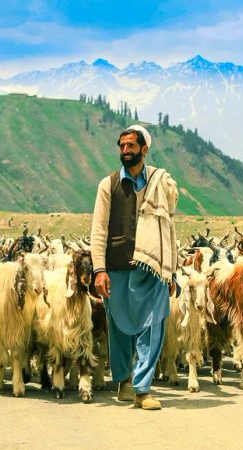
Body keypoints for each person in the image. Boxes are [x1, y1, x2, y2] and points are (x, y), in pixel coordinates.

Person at [90, 125, 179, 410]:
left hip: (152, 269)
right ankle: (124, 379)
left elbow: (168, 227)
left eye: (130, 146)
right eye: (122, 146)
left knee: (153, 325)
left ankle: (143, 389)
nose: (125, 151)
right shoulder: (109, 184)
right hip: (116, 266)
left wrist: (171, 270)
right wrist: (98, 270)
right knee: (118, 327)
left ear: (144, 149)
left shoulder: (161, 183)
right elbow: (98, 230)